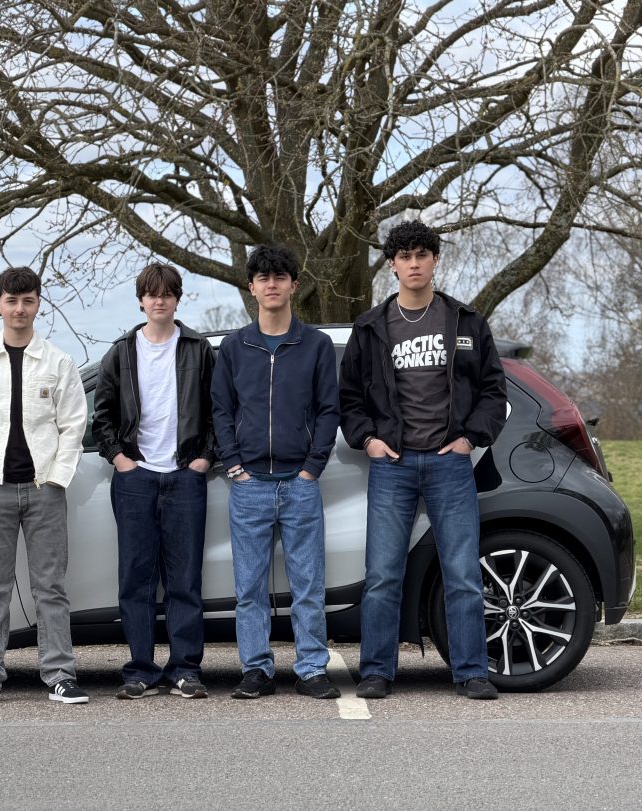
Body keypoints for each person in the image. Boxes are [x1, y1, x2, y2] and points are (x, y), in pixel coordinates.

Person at [339, 221, 508, 700]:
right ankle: (376, 671)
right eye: (405, 256)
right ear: (391, 264)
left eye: (422, 254)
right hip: (392, 464)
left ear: (435, 260)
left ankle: (472, 671)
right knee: (383, 575)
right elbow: (349, 397)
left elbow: (493, 391)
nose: (414, 263)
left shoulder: (465, 322)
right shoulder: (371, 327)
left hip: (448, 464)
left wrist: (470, 438)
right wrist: (368, 439)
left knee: (462, 573)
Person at [210, 244, 342, 700]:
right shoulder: (234, 347)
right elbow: (220, 411)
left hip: (299, 485)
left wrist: (311, 469)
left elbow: (329, 411)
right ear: (251, 287)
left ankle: (311, 668)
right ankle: (256, 669)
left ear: (293, 285)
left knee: (309, 584)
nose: (271, 284)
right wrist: (234, 465)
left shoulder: (316, 346)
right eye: (263, 277)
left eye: (280, 277)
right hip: (249, 487)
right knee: (249, 587)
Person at [0, 266, 89, 706]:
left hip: (44, 490)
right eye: (11, 301)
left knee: (49, 587)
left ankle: (59, 674)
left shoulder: (58, 362)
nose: (19, 309)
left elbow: (73, 426)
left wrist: (58, 477)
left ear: (38, 304)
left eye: (27, 300)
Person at [92, 262, 217, 700]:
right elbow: (101, 416)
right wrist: (119, 458)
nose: (159, 300)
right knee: (136, 578)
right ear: (141, 300)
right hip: (136, 478)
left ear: (177, 298)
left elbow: (218, 412)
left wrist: (204, 458)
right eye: (151, 293)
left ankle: (185, 669)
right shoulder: (123, 351)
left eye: (167, 293)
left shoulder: (199, 349)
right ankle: (140, 669)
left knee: (184, 579)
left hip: (185, 476)